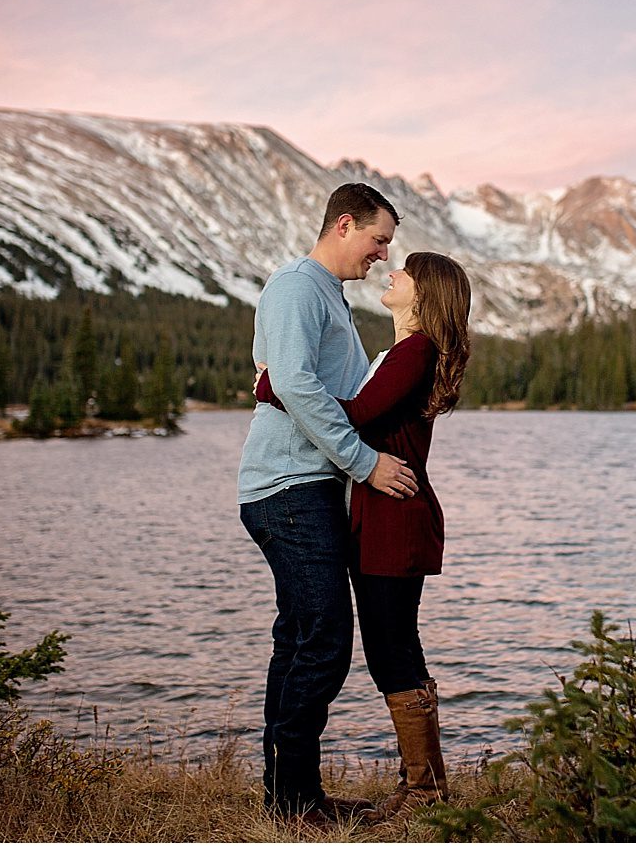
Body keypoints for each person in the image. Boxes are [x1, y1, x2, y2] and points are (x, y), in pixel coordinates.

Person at [257, 250, 473, 818]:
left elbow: (355, 414)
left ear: (424, 294)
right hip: (383, 517)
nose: (392, 272)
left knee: (392, 649)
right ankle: (423, 785)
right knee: (393, 646)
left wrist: (274, 387)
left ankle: (423, 790)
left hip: (393, 520)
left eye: (407, 272)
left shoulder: (415, 350)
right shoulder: (404, 352)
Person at [237, 183, 419, 824]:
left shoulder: (328, 296)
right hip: (288, 487)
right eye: (378, 240)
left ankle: (287, 799)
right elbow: (291, 382)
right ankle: (296, 802)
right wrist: (367, 465)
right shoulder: (297, 286)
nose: (382, 254)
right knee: (325, 640)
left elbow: (332, 390)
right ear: (345, 225)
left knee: (298, 640)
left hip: (307, 486)